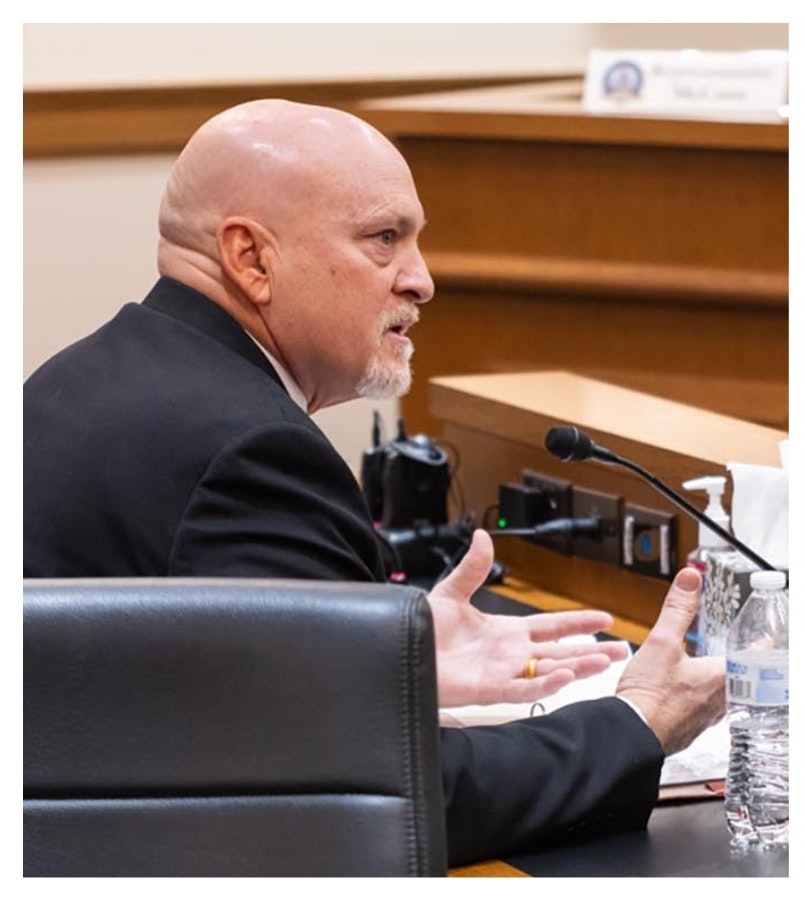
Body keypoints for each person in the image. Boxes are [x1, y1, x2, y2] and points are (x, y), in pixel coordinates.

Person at [23, 99, 725, 867]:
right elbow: (388, 800)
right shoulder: (252, 454)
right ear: (251, 259)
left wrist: (385, 659)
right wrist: (640, 721)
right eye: (383, 239)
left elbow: (194, 683)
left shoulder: (77, 377)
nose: (421, 281)